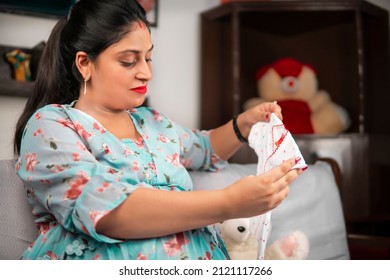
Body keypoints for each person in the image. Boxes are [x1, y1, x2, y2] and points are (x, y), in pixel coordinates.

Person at [13, 0, 304, 260]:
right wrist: (228, 203)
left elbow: (206, 148)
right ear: (85, 63)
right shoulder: (51, 126)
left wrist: (244, 124)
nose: (146, 72)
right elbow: (106, 212)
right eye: (129, 60)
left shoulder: (153, 122)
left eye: (148, 58)